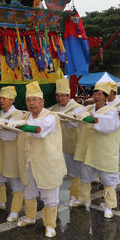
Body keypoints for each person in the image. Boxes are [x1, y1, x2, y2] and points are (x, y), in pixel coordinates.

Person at [13, 81, 66, 238]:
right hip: (27, 162)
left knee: (49, 194)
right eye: (28, 100)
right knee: (28, 191)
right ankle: (30, 217)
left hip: (47, 163)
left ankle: (50, 225)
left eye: (35, 100)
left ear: (42, 101)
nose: (31, 103)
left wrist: (24, 123)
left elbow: (40, 128)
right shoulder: (24, 116)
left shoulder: (51, 117)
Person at [72, 82, 120, 218]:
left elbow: (108, 125)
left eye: (100, 94)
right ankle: (82, 199)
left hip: (103, 151)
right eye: (95, 93)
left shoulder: (111, 111)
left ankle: (109, 206)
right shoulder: (87, 108)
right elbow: (74, 116)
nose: (96, 96)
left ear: (106, 97)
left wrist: (91, 117)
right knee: (85, 176)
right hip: (87, 149)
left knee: (108, 179)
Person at [0, 86, 28, 222]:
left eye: (4, 98)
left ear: (11, 99)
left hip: (13, 155)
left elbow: (9, 135)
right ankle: (0, 202)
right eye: (0, 98)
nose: (1, 100)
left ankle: (15, 210)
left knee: (16, 183)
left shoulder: (18, 115)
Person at [48, 78, 84, 207]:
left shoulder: (78, 108)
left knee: (75, 172)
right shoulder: (54, 108)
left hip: (73, 145)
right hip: (58, 146)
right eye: (57, 96)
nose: (59, 98)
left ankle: (75, 194)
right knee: (57, 171)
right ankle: (53, 197)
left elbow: (76, 121)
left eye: (62, 95)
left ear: (69, 96)